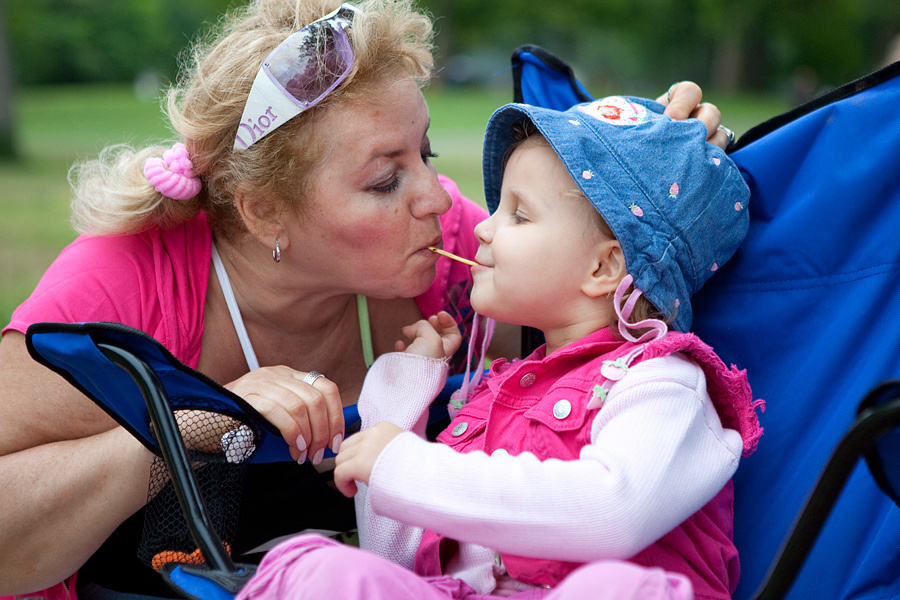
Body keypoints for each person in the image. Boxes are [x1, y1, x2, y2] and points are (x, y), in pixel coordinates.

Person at [0, 0, 731, 595]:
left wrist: (662, 187)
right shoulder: (122, 286)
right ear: (264, 212)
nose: (436, 199)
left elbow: (595, 308)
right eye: (385, 181)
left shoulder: (443, 260)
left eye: (426, 154)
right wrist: (187, 425)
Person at [233, 95, 764, 600]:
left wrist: (408, 467)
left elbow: (612, 513)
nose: (483, 229)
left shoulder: (663, 384)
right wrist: (397, 401)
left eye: (518, 214)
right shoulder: (490, 401)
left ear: (603, 268)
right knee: (321, 567)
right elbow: (400, 562)